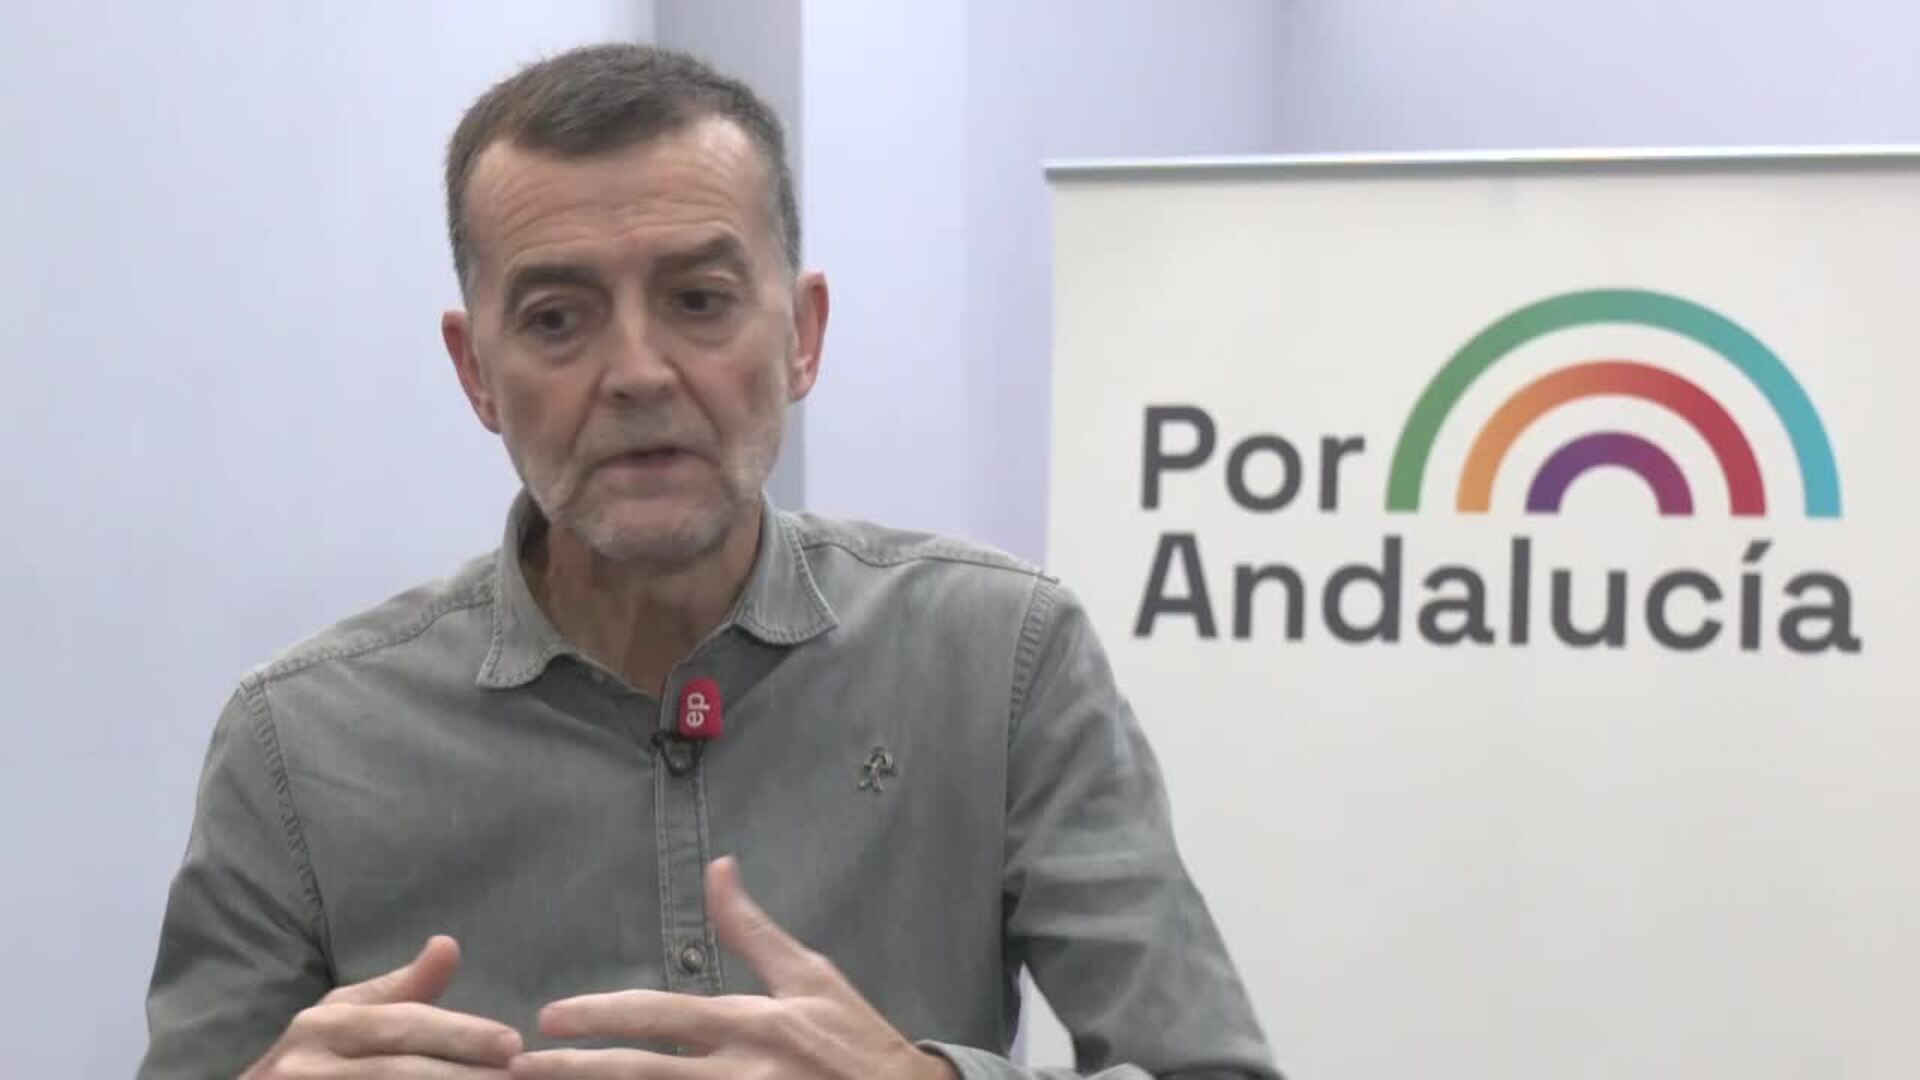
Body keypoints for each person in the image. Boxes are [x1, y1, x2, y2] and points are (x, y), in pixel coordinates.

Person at [139, 42, 1280, 1080]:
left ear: (802, 337)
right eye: (556, 319)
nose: (638, 373)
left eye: (698, 300)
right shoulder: (301, 743)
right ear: (475, 371)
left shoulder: (997, 657)